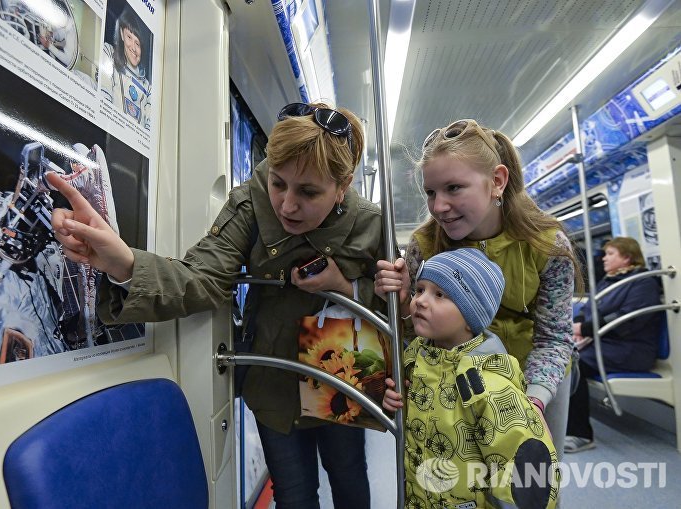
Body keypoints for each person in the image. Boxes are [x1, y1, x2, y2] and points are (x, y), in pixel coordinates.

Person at [46, 102, 382, 509]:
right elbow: (202, 278)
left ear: (343, 186)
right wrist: (124, 263)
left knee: (348, 478)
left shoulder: (371, 223)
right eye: (278, 183)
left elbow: (398, 307)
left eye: (309, 192)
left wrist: (346, 286)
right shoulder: (252, 203)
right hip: (273, 375)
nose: (287, 205)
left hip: (342, 373)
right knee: (294, 496)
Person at [375, 119, 578, 458]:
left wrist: (532, 400)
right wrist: (398, 304)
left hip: (536, 381)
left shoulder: (547, 247)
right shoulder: (424, 246)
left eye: (454, 188)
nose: (439, 206)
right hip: (449, 384)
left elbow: (555, 337)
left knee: (529, 484)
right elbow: (414, 335)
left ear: (496, 181)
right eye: (431, 192)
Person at [382, 248, 559, 509]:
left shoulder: (489, 384)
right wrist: (395, 402)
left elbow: (525, 468)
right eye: (420, 290)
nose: (420, 301)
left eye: (440, 295)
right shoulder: (414, 360)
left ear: (470, 317)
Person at [565, 237, 662, 453]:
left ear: (627, 257)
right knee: (563, 357)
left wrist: (585, 330)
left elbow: (628, 320)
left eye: (610, 254)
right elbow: (588, 310)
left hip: (631, 348)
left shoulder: (642, 283)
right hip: (605, 343)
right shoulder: (608, 281)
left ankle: (580, 434)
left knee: (573, 363)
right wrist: (579, 327)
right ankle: (563, 424)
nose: (604, 259)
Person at [100, 7, 151, 129]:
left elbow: (149, 126)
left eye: (137, 44)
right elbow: (104, 96)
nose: (133, 47)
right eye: (129, 37)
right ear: (122, 34)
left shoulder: (147, 87)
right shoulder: (108, 52)